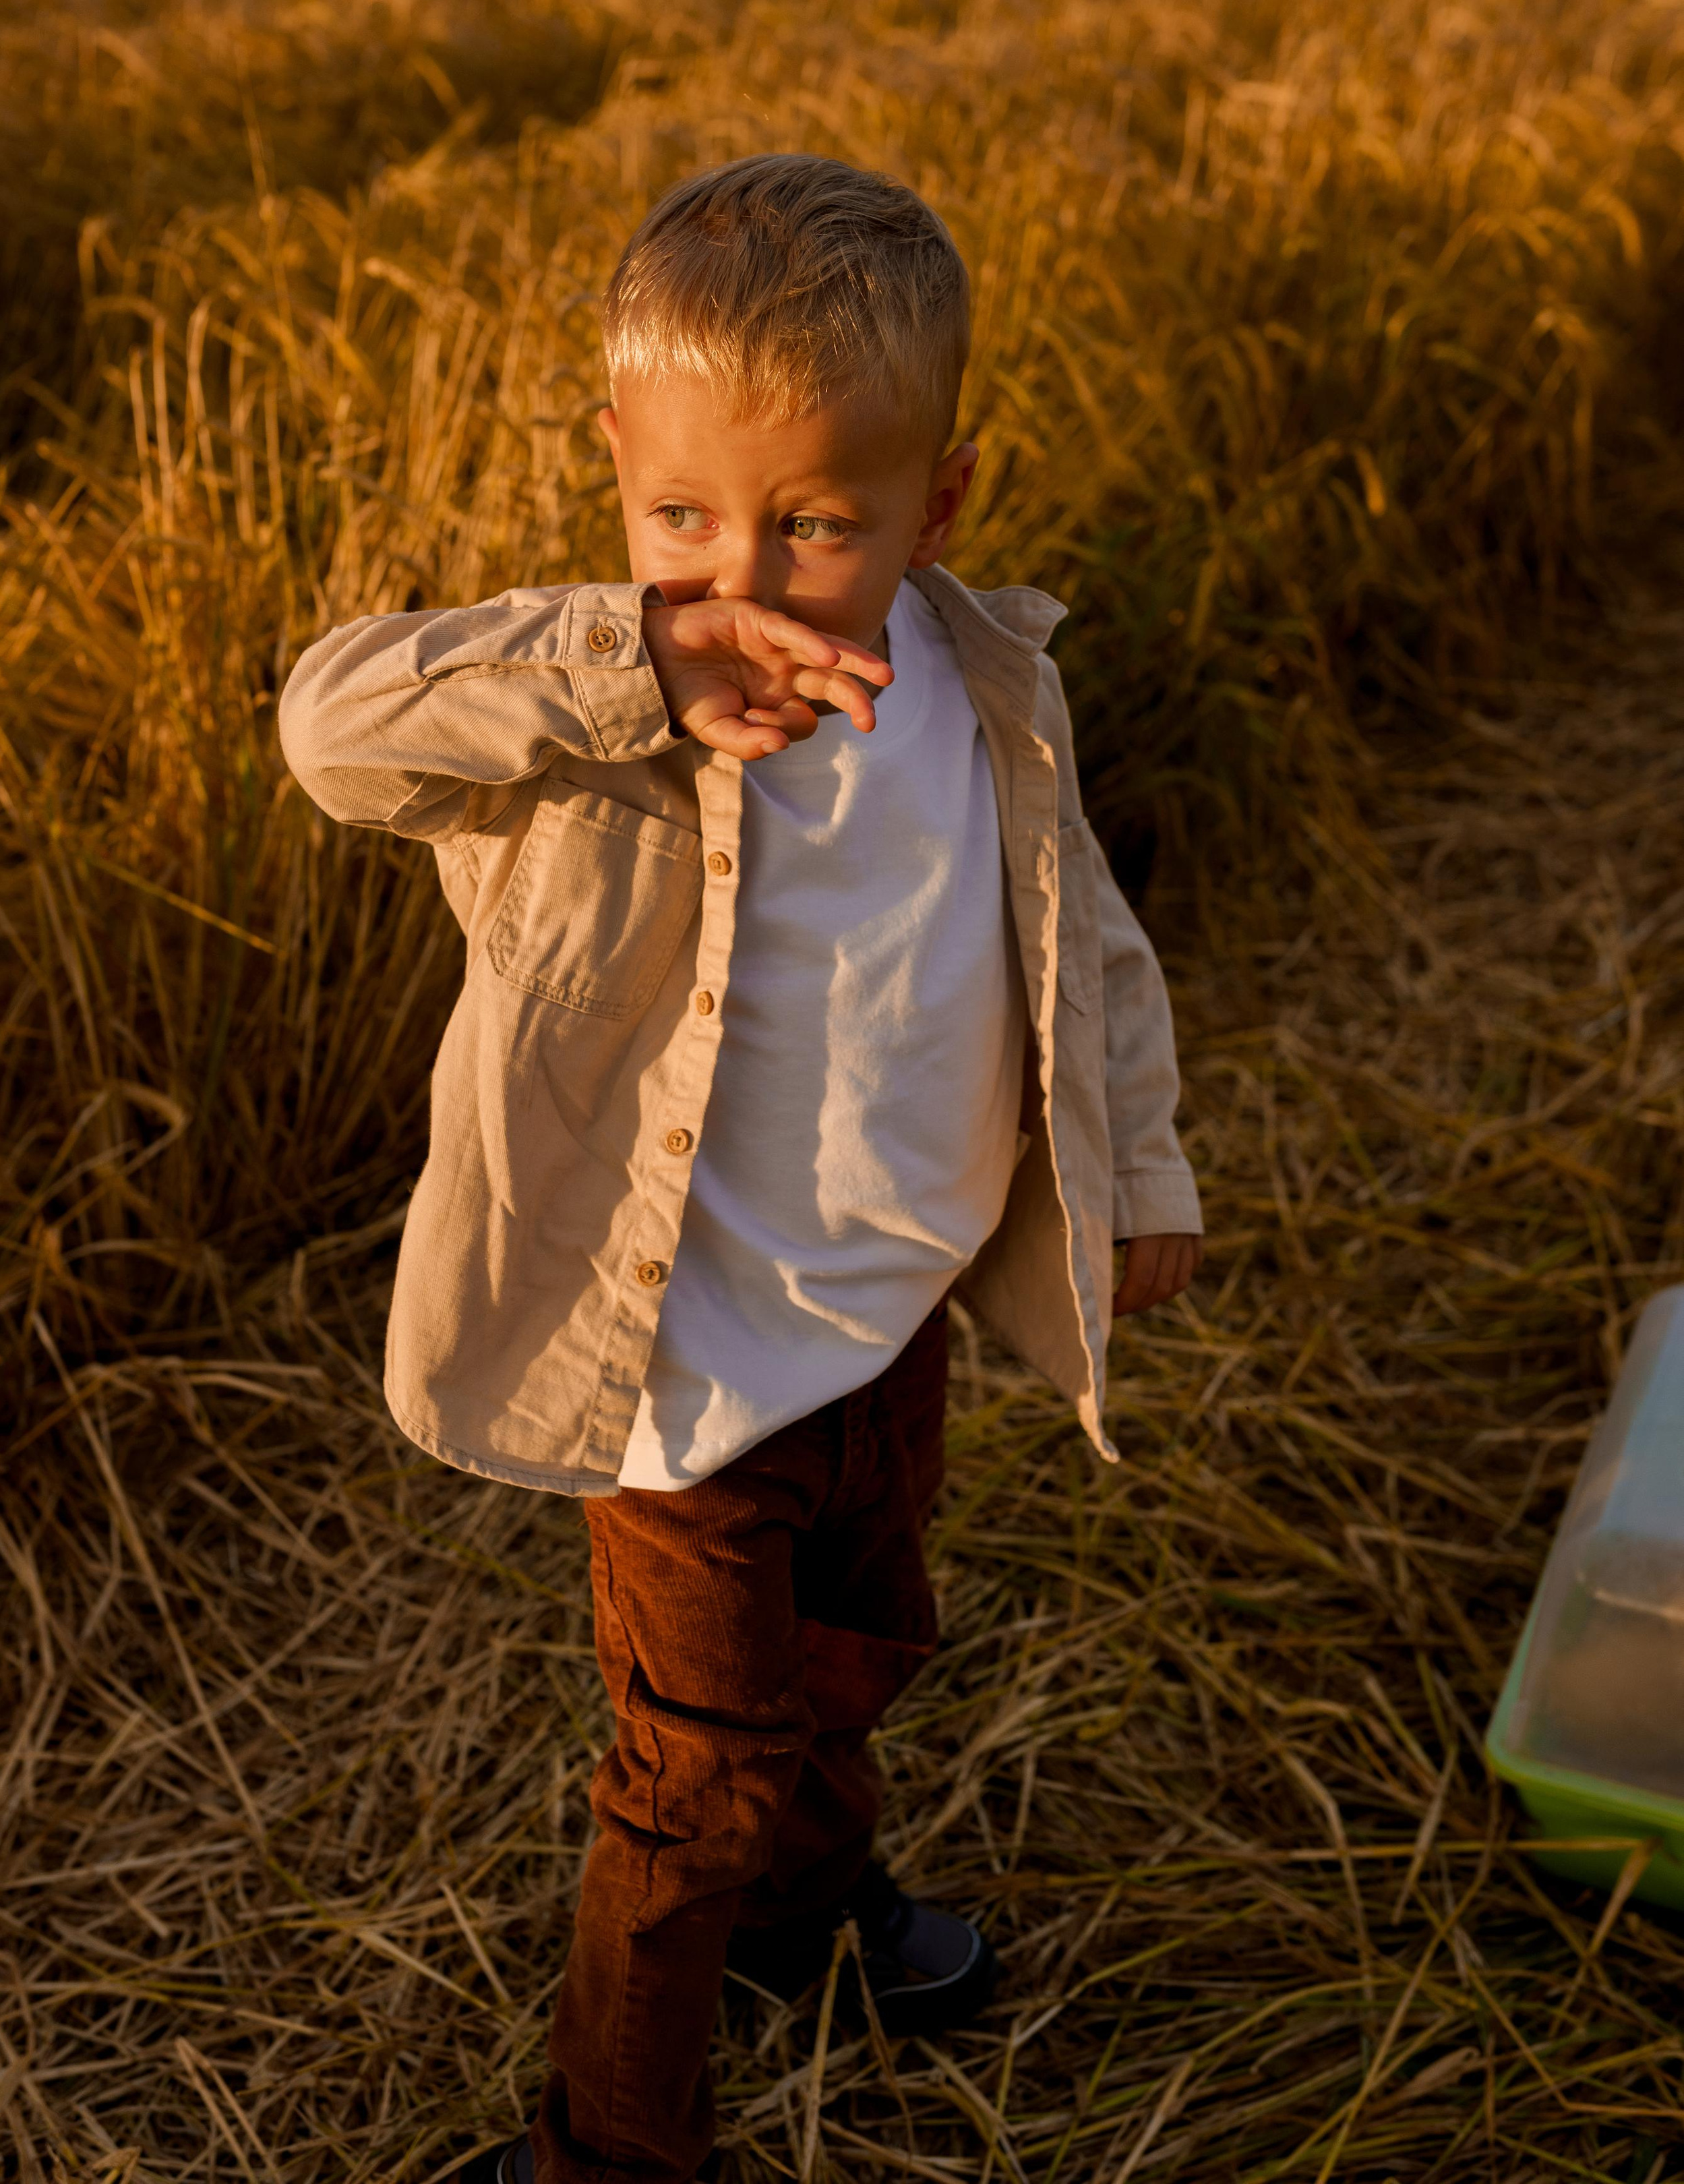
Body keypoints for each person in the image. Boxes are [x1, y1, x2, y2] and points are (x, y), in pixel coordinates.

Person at [279, 154, 1203, 2184]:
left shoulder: (987, 686)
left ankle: (807, 1924)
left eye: (815, 525)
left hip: (891, 1318)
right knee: (689, 1779)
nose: (746, 580)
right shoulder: (596, 716)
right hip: (681, 1384)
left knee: (857, 1653)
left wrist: (1135, 1180)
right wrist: (631, 651)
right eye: (682, 516)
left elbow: (1080, 944)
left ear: (936, 503)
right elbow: (329, 728)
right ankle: (611, 2145)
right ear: (615, 464)